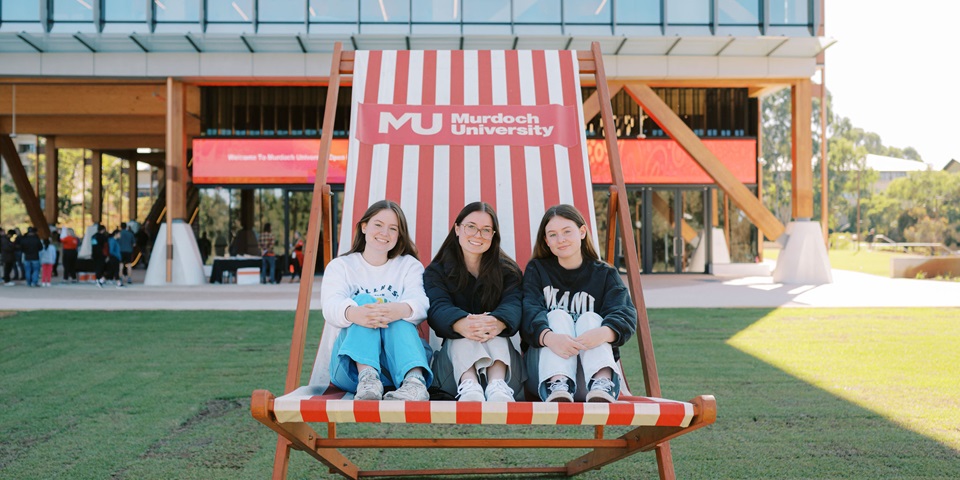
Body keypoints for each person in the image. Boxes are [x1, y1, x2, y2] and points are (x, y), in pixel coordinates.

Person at [316, 200, 432, 401]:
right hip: (350, 368)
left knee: (400, 311)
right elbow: (330, 306)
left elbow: (421, 304)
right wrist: (356, 313)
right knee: (363, 301)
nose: (384, 233)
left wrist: (397, 310)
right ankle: (368, 377)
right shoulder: (341, 266)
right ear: (364, 227)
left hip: (398, 366)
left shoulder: (408, 266)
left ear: (399, 235)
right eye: (378, 225)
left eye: (393, 228)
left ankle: (414, 382)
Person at [520, 204, 637, 403]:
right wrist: (550, 338)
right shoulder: (537, 270)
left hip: (589, 379)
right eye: (553, 235)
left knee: (591, 318)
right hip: (544, 376)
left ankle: (602, 384)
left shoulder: (605, 274)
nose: (561, 239)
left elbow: (625, 313)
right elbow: (528, 311)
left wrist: (602, 333)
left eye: (567, 231)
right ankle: (559, 382)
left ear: (582, 232)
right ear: (546, 241)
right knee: (556, 315)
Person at [424, 202, 523, 402]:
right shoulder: (437, 271)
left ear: (493, 235)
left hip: (507, 374)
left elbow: (515, 305)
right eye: (471, 227)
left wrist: (496, 323)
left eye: (486, 230)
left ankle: (497, 384)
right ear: (457, 228)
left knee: (492, 325)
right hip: (452, 376)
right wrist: (463, 324)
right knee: (461, 329)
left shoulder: (509, 272)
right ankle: (469, 384)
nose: (478, 235)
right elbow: (437, 308)